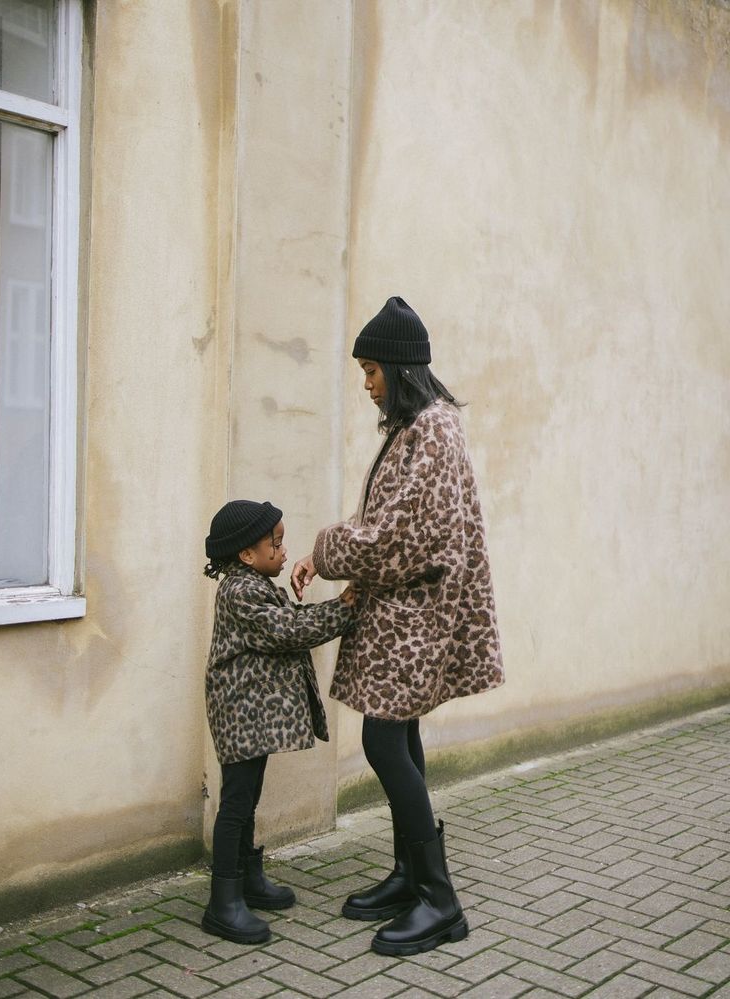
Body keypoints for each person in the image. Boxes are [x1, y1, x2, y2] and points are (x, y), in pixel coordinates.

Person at [291, 296, 504, 956]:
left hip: (419, 618)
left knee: (384, 742)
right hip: (405, 613)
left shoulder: (432, 433)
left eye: (371, 369)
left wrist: (325, 550)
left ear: (400, 368)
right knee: (399, 734)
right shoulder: (419, 428)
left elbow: (403, 535)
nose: (366, 382)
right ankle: (411, 875)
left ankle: (442, 901)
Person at [201, 499, 355, 945]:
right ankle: (222, 902)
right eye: (277, 543)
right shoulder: (240, 591)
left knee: (247, 799)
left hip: (253, 715)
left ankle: (248, 880)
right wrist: (344, 608)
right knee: (235, 804)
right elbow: (288, 630)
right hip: (241, 714)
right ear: (247, 555)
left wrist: (337, 607)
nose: (285, 550)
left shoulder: (252, 583)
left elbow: (291, 619)